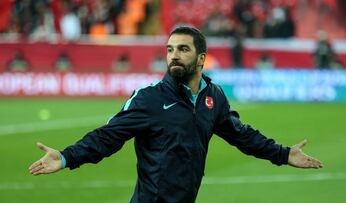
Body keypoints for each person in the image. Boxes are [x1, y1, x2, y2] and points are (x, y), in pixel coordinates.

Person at [29, 26, 323, 203]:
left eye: (183, 49)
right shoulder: (149, 98)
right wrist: (67, 157)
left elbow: (241, 135)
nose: (174, 55)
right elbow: (108, 136)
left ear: (201, 58)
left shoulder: (214, 97)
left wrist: (283, 154)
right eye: (170, 49)